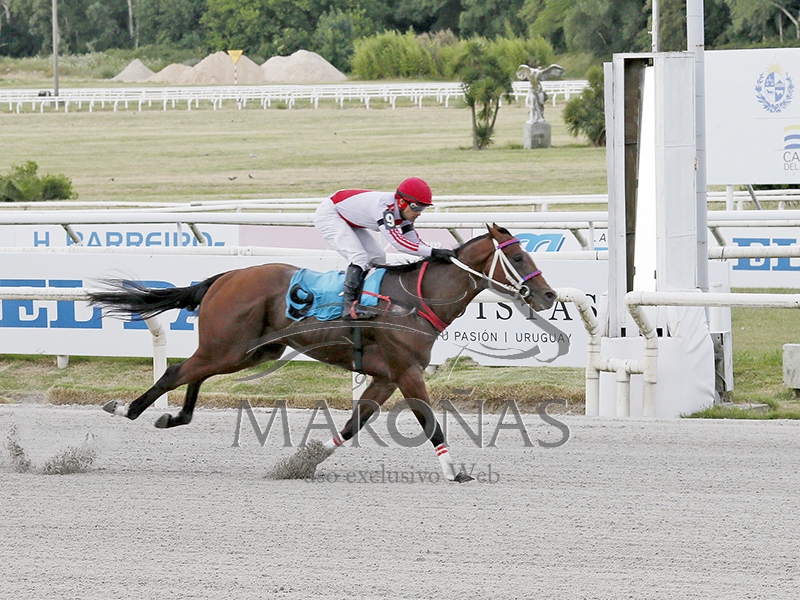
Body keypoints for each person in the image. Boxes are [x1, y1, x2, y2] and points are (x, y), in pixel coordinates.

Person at [314, 177, 456, 320]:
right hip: (330, 214)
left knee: (378, 257)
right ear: (402, 202)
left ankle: (367, 300)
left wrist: (434, 253)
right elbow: (399, 243)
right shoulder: (384, 209)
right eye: (416, 207)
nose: (419, 213)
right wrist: (433, 252)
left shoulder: (403, 211)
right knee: (359, 257)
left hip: (348, 218)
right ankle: (348, 307)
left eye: (423, 208)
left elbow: (414, 241)